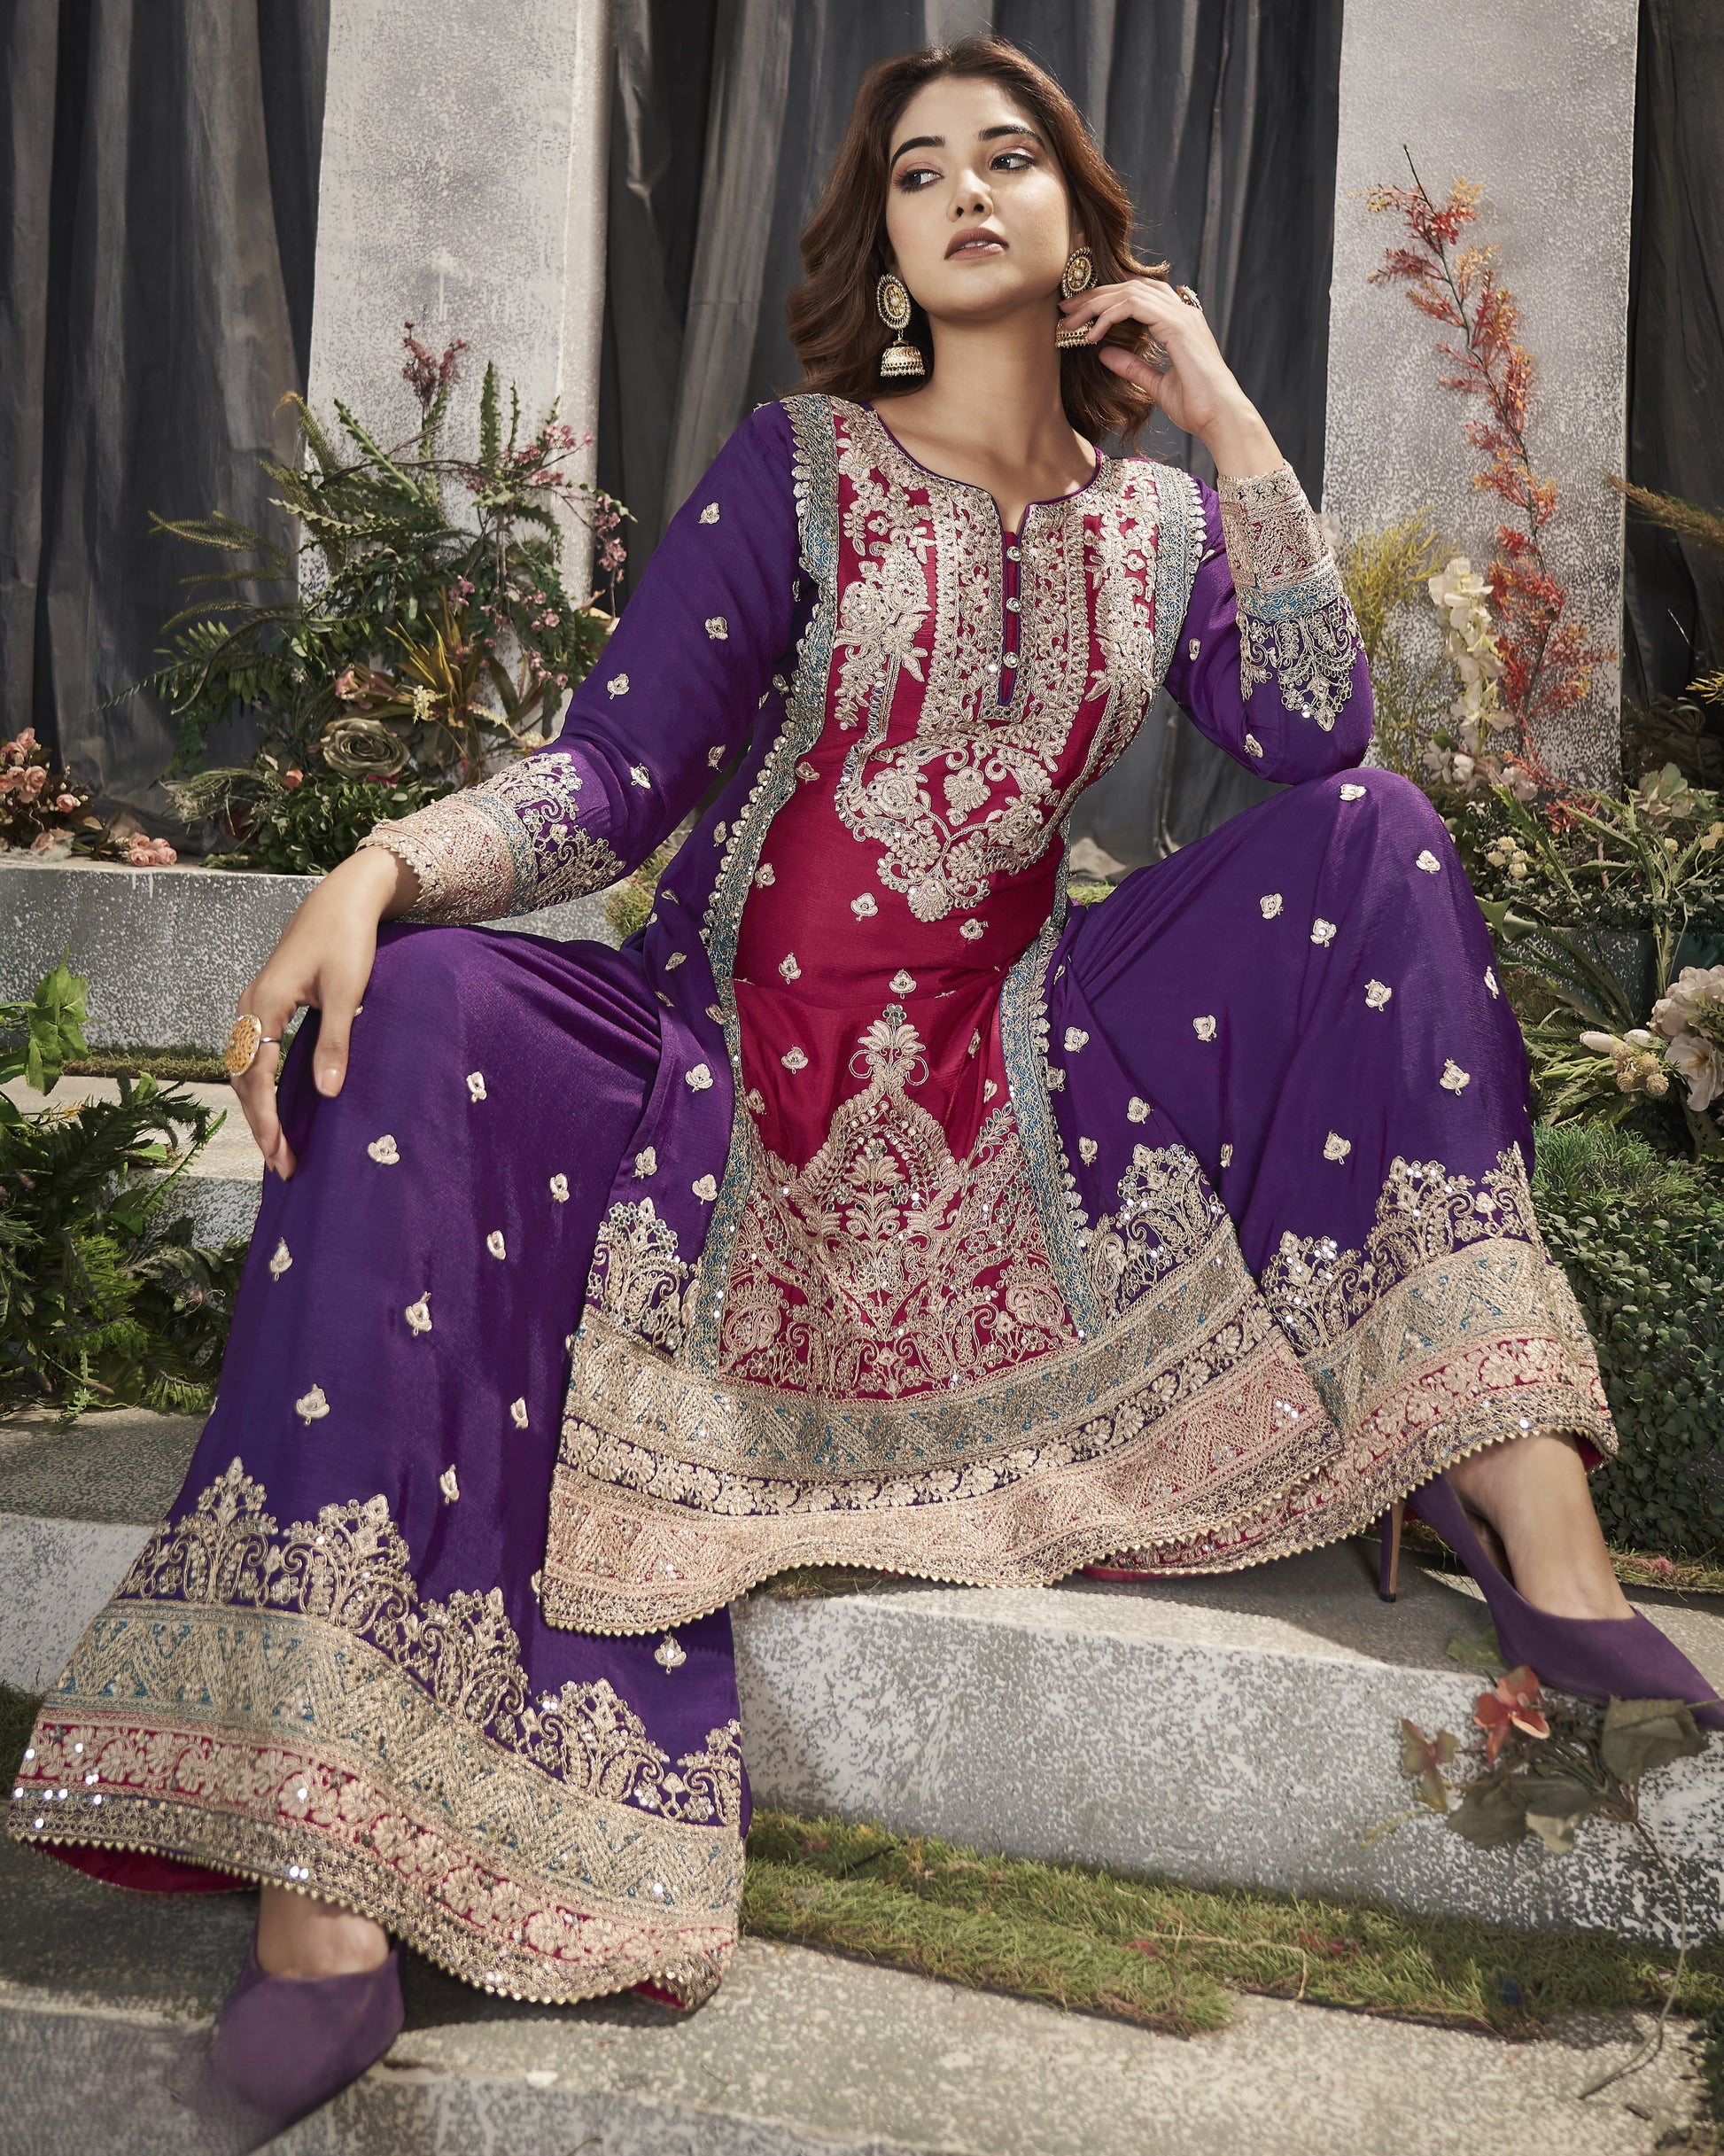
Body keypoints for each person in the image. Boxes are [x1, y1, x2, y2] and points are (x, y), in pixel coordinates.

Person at [11, 33, 1715, 2144]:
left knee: (1377, 834)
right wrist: (377, 865)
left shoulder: (1159, 526)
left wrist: (1215, 402)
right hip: (715, 1076)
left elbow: (1308, 731)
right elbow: (613, 778)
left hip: (1018, 1093)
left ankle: (1539, 1528)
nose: (966, 192)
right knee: (427, 1006)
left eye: (1009, 158)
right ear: (886, 245)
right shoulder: (798, 471)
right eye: (921, 172)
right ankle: (321, 1872)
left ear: (1083, 224)